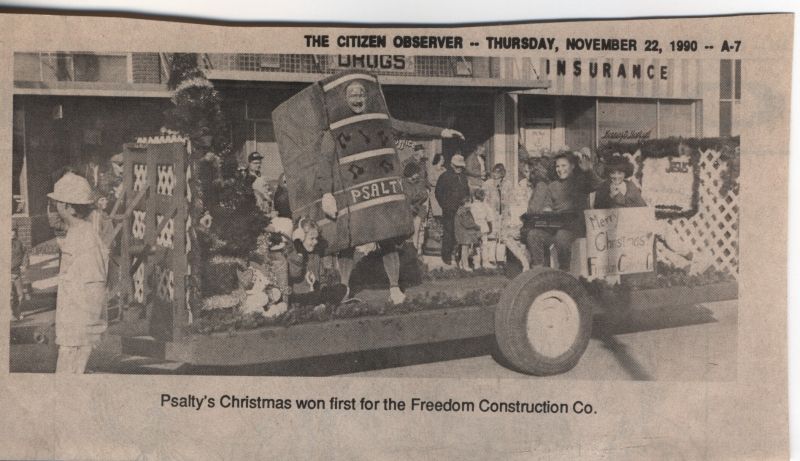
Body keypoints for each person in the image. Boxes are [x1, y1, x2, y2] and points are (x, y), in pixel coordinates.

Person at [48, 172, 109, 374]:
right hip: (72, 326)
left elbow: (94, 286)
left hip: (77, 331)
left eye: (56, 203)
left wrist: (81, 332)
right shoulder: (77, 233)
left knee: (70, 375)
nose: (54, 208)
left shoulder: (85, 237)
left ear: (66, 206)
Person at [525, 152, 603, 270]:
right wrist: (547, 212)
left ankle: (564, 270)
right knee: (533, 234)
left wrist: (589, 171)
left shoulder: (580, 181)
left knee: (561, 236)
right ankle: (538, 269)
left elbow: (599, 185)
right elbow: (547, 205)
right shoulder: (552, 186)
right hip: (556, 225)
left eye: (564, 165)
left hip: (575, 227)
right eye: (557, 166)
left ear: (572, 166)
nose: (560, 169)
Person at [286, 218, 348, 308]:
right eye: (312, 238)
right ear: (301, 238)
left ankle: (322, 303)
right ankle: (320, 304)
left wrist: (323, 288)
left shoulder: (315, 256)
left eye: (316, 238)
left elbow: (322, 278)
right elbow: (295, 274)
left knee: (341, 288)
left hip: (315, 294)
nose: (315, 242)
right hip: (301, 295)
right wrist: (299, 252)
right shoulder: (294, 255)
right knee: (312, 297)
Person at [434, 154, 471, 266]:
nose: (459, 168)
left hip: (461, 210)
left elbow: (467, 192)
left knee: (460, 233)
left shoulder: (463, 177)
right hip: (449, 210)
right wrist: (446, 206)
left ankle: (458, 257)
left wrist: (466, 203)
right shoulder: (444, 177)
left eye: (461, 166)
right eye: (457, 166)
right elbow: (438, 193)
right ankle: (447, 257)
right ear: (451, 165)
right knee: (449, 233)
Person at [402, 162, 429, 254]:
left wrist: (415, 201)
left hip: (418, 209)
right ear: (411, 172)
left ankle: (416, 250)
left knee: (417, 230)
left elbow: (424, 195)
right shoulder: (402, 183)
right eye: (416, 172)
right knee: (407, 231)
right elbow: (403, 197)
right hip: (406, 210)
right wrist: (412, 201)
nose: (418, 174)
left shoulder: (420, 182)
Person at [469, 188, 496, 269]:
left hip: (474, 228)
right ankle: (485, 262)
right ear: (483, 197)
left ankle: (476, 263)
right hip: (483, 227)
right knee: (484, 245)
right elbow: (490, 218)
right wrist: (491, 228)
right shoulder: (485, 206)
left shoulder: (471, 206)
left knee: (476, 245)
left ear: (474, 196)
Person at [454, 196, 481, 271]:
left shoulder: (463, 210)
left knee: (464, 249)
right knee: (465, 249)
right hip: (463, 233)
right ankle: (465, 266)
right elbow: (467, 223)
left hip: (463, 232)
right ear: (466, 203)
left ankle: (462, 264)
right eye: (470, 202)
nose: (471, 204)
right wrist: (477, 226)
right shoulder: (463, 211)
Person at [11, 225, 29, 320]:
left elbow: (25, 253)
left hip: (17, 272)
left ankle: (17, 312)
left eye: (14, 231)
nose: (12, 233)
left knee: (20, 294)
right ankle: (9, 313)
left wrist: (24, 264)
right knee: (9, 295)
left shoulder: (19, 243)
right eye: (10, 231)